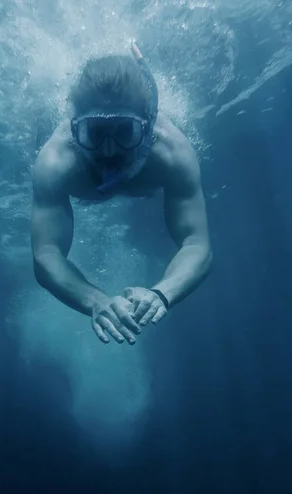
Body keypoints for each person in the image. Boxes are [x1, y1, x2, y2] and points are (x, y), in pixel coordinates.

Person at [31, 42, 213, 346]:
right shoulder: (55, 160)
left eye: (125, 132)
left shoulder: (172, 152)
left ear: (149, 125)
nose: (109, 150)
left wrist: (162, 293)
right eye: (95, 133)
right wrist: (94, 299)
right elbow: (45, 255)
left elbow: (198, 244)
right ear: (75, 128)